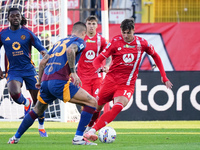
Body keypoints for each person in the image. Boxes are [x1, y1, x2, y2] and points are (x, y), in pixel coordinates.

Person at [8, 21, 98, 145]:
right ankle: (78, 138)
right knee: (92, 102)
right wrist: (74, 72)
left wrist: (39, 81)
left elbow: (42, 62)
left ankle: (15, 138)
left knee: (36, 110)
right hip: (60, 82)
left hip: (46, 81)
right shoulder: (79, 41)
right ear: (84, 33)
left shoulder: (59, 42)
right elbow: (71, 51)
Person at [83, 18, 173, 141]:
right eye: (123, 32)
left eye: (128, 33)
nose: (125, 35)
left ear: (133, 31)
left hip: (126, 84)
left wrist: (164, 76)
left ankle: (92, 131)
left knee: (118, 107)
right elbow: (97, 60)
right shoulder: (115, 41)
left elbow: (156, 56)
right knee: (96, 108)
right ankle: (88, 128)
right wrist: (99, 68)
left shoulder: (142, 43)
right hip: (110, 81)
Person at [0, 7, 48, 137]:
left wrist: (45, 54)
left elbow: (41, 48)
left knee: (38, 101)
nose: (15, 18)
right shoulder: (3, 34)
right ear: (8, 18)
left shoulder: (28, 33)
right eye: (13, 16)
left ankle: (41, 126)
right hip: (14, 70)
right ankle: (26, 103)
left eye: (18, 15)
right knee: (14, 93)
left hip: (29, 69)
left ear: (21, 17)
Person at [77, 15, 110, 124]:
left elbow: (110, 53)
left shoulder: (101, 40)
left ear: (97, 25)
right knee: (86, 104)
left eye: (93, 24)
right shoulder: (80, 38)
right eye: (89, 23)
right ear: (86, 25)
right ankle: (84, 128)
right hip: (83, 77)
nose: (91, 26)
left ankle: (91, 126)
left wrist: (108, 65)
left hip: (97, 77)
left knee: (97, 103)